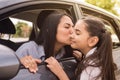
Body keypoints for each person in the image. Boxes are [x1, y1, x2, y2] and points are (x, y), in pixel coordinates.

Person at [45, 17, 116, 80]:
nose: (71, 35)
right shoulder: (96, 59)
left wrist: (60, 72)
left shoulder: (92, 66)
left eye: (77, 33)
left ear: (92, 41)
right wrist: (83, 59)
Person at [11, 11, 74, 80]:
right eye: (67, 27)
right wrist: (19, 62)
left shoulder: (70, 53)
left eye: (73, 27)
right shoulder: (28, 49)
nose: (72, 31)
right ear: (49, 29)